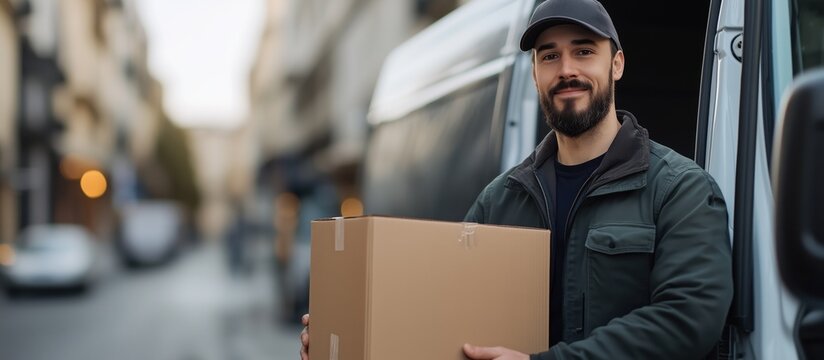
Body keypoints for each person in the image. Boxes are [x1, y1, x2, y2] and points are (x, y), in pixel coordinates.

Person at [301, 0, 733, 358]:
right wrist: (348, 332)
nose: (566, 69)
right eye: (549, 56)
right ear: (534, 72)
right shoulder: (500, 200)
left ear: (616, 64)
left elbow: (688, 317)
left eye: (584, 51)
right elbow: (441, 308)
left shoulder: (680, 189)